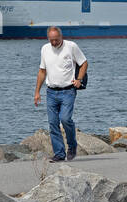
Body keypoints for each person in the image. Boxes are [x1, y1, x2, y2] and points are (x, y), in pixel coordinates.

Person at [34, 25, 88, 162]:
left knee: (65, 119)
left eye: (56, 40)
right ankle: (59, 154)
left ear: (61, 37)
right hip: (51, 92)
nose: (53, 43)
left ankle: (72, 145)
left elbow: (84, 63)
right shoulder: (45, 49)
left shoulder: (71, 47)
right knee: (52, 123)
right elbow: (42, 71)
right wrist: (37, 92)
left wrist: (79, 79)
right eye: (51, 40)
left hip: (68, 91)